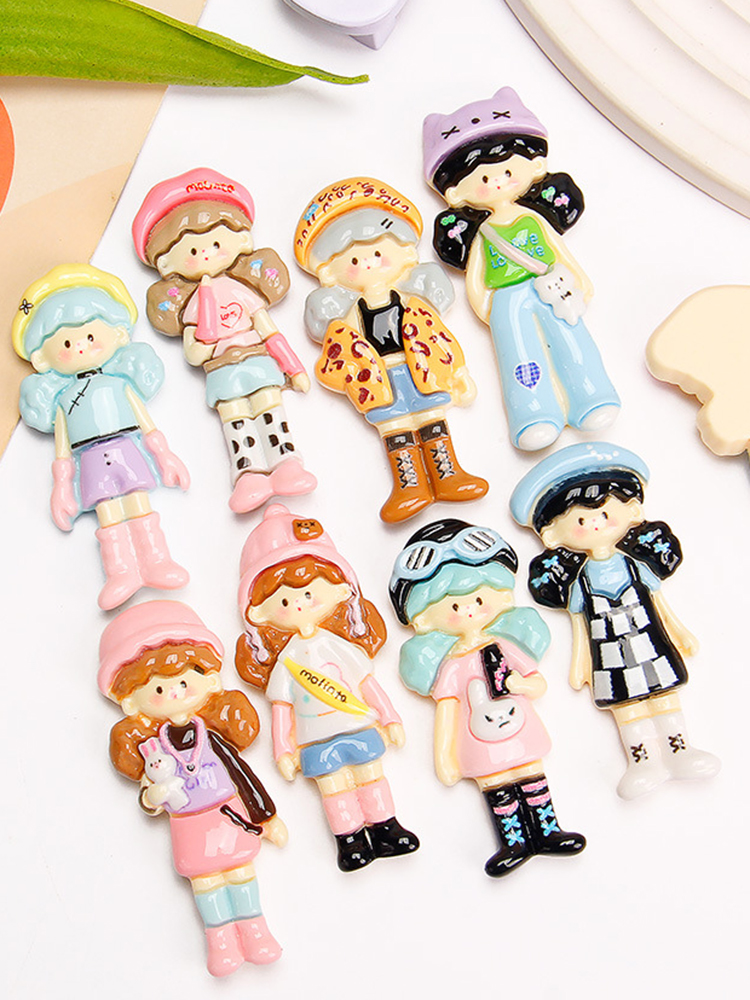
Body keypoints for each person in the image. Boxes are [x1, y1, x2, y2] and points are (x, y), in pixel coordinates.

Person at [510, 441, 720, 798]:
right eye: (580, 520)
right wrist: (581, 663)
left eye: (605, 514)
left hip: (650, 641)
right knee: (626, 708)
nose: (594, 523)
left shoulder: (634, 565)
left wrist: (679, 633)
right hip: (608, 655)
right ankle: (642, 761)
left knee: (665, 696)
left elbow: (659, 605)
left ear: (632, 511)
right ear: (553, 535)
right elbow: (579, 625)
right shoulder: (580, 581)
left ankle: (680, 750)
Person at [423, 87, 620, 450]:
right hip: (506, 297)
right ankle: (533, 413)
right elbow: (476, 271)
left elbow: (558, 250)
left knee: (571, 336)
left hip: (550, 284)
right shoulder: (483, 230)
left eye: (506, 170)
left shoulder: (532, 217)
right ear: (455, 193)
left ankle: (591, 395)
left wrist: (578, 281)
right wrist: (486, 305)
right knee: (518, 353)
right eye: (482, 178)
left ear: (536, 166)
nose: (497, 181)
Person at [100, 600, 286, 977]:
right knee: (206, 883)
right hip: (188, 826)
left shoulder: (212, 737)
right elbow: (149, 798)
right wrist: (151, 798)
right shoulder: (152, 750)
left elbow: (243, 775)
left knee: (241, 874)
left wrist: (267, 817)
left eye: (184, 682)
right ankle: (221, 943)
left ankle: (256, 931)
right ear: (130, 701)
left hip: (228, 814)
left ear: (210, 681)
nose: (174, 693)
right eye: (158, 688)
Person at [389, 518, 585, 877]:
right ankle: (513, 842)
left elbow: (538, 684)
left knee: (531, 774)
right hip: (476, 740)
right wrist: (445, 757)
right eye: (453, 607)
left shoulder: (507, 646)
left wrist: (522, 685)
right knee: (497, 786)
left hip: (520, 727)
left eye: (478, 599)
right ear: (424, 617)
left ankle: (547, 831)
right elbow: (447, 710)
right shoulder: (451, 666)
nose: (467, 611)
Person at [235, 503, 419, 871]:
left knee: (372, 777)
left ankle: (385, 826)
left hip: (358, 724)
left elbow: (367, 683)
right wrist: (283, 749)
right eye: (285, 600)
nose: (300, 605)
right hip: (315, 738)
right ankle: (349, 839)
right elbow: (282, 708)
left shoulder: (338, 645)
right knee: (333, 789)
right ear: (259, 612)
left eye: (309, 594)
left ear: (339, 590)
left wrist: (390, 717)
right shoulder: (286, 661)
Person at [294, 176, 487, 522]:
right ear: (329, 272)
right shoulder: (349, 316)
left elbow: (439, 339)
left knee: (431, 417)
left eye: (378, 253)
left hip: (420, 367)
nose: (368, 264)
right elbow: (341, 351)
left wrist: (458, 374)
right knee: (394, 426)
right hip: (377, 377)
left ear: (404, 252)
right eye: (354, 261)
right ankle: (409, 486)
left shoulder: (414, 302)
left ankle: (447, 474)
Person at [133, 167, 316, 513]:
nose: (205, 255)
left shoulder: (242, 289)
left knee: (270, 408)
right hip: (220, 369)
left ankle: (286, 462)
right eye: (192, 250)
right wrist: (202, 342)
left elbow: (269, 330)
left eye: (216, 244)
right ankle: (248, 473)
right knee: (235, 418)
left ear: (240, 240)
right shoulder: (191, 304)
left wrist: (293, 367)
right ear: (167, 262)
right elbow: (192, 353)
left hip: (257, 359)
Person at [12, 263, 189, 609]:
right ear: (42, 357)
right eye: (67, 342)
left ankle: (157, 560)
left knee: (138, 502)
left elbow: (147, 424)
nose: (80, 347)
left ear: (117, 334)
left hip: (126, 447)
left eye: (90, 337)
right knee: (107, 511)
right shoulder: (62, 399)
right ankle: (121, 572)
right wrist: (62, 487)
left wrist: (165, 456)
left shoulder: (119, 383)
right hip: (90, 459)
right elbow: (61, 449)